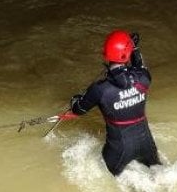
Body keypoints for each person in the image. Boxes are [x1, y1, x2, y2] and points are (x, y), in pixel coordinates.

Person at [62, 30, 161, 176]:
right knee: (159, 176)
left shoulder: (100, 89)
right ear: (126, 53)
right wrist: (134, 47)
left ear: (106, 54)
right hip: (146, 144)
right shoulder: (144, 78)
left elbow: (78, 110)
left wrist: (76, 99)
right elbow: (139, 64)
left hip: (119, 149)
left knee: (112, 182)